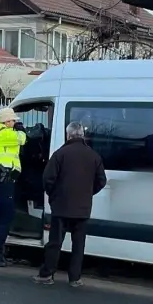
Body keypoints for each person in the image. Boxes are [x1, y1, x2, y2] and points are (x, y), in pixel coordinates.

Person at [33, 121, 106, 287]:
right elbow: (102, 181)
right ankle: (75, 278)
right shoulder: (93, 156)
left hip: (61, 207)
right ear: (82, 135)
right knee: (78, 245)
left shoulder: (60, 154)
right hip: (83, 209)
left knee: (55, 243)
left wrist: (54, 195)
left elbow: (47, 179)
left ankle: (47, 274)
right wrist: (88, 193)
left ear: (69, 135)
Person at [0, 107, 27, 267]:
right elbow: (22, 139)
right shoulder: (2, 133)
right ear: (5, 121)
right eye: (13, 121)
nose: (15, 122)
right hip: (3, 180)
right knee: (6, 217)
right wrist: (22, 129)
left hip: (0, 180)